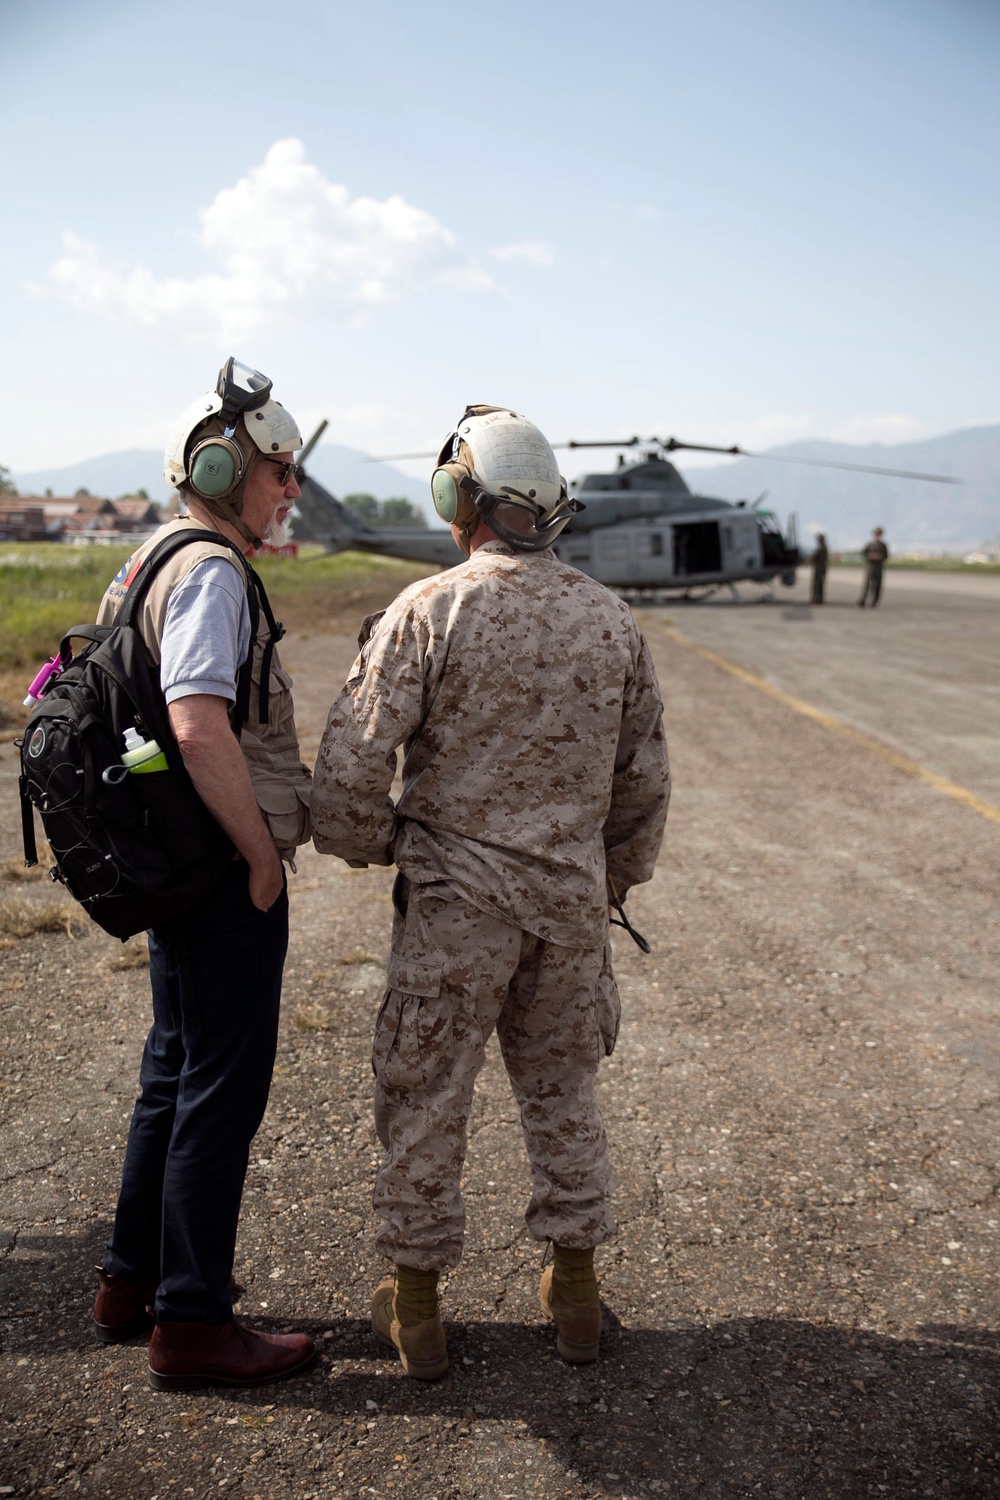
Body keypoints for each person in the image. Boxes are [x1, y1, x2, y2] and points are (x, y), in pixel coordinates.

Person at [311, 405, 670, 1378]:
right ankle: (578, 1297)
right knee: (563, 1096)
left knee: (425, 1097)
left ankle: (419, 1313)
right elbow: (643, 784)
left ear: (458, 499)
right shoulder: (611, 618)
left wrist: (390, 845)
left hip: (454, 911)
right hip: (566, 912)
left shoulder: (427, 610)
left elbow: (348, 771)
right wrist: (608, 880)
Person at [92, 359, 316, 1390]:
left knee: (172, 1073)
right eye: (279, 470)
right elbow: (194, 719)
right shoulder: (213, 571)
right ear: (224, 466)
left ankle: (129, 1284)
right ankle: (192, 1325)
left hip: (172, 864)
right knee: (219, 1089)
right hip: (218, 872)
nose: (290, 490)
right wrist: (262, 857)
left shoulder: (146, 558)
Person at [857, 527, 889, 607]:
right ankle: (863, 600)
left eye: (878, 534)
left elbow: (886, 556)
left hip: (879, 567)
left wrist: (880, 557)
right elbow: (863, 553)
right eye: (875, 533)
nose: (876, 535)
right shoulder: (870, 545)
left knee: (877, 585)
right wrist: (869, 556)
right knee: (867, 585)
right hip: (870, 566)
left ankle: (874, 601)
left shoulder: (883, 545)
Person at [810, 532, 828, 605]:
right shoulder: (824, 547)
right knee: (820, 584)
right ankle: (819, 599)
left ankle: (816, 599)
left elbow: (813, 557)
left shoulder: (821, 548)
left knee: (817, 584)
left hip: (819, 568)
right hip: (822, 567)